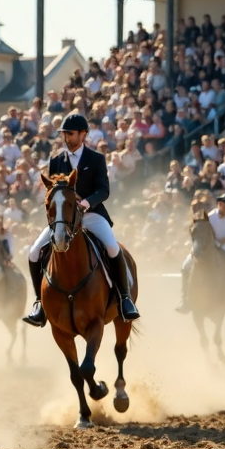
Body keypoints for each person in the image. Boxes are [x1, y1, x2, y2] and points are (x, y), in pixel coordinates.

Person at [22, 113, 139, 327]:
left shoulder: (96, 159)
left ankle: (124, 299)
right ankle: (39, 303)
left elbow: (103, 190)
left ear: (83, 134)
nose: (67, 137)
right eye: (65, 133)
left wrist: (85, 203)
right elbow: (53, 189)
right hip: (64, 218)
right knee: (33, 252)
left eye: (71, 133)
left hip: (91, 214)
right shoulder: (57, 159)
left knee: (113, 248)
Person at [175, 193, 225, 313]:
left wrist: (220, 242)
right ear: (220, 205)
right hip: (208, 246)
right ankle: (184, 297)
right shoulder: (210, 217)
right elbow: (203, 231)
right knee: (186, 264)